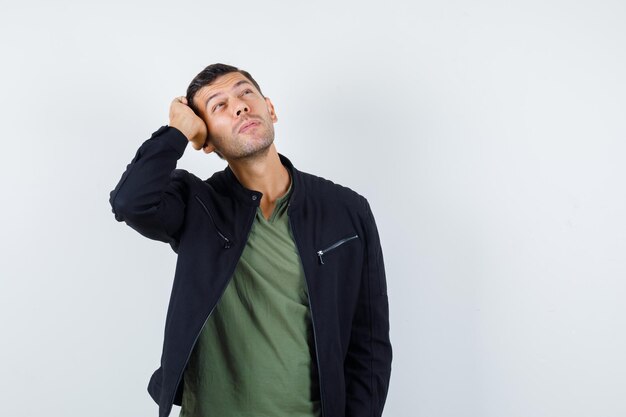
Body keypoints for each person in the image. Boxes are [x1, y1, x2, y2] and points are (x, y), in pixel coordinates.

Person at [109, 63, 392, 417]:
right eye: (218, 106)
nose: (239, 105)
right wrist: (176, 132)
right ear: (206, 141)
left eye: (245, 93)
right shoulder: (196, 204)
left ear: (270, 109)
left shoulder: (346, 210)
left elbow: (369, 344)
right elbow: (130, 202)